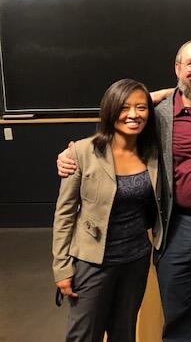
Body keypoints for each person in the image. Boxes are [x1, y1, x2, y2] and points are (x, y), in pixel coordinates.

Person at [58, 40, 191, 342]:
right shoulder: (158, 116)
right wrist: (75, 153)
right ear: (177, 68)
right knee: (177, 313)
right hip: (176, 226)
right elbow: (119, 130)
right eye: (190, 64)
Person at [52, 78, 162, 342]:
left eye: (141, 107)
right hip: (92, 262)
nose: (134, 115)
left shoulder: (153, 153)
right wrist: (62, 267)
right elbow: (64, 214)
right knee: (83, 335)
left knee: (123, 333)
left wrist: (165, 92)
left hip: (135, 260)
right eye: (124, 107)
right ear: (110, 111)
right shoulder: (82, 152)